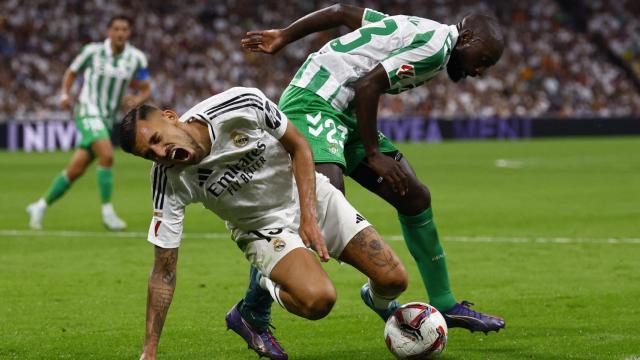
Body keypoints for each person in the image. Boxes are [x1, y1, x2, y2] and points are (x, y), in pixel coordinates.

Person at [239, 3, 506, 339]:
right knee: (323, 198)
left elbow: (342, 12)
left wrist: (285, 36)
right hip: (314, 101)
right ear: (466, 37)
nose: (480, 70)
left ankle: (440, 303)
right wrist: (374, 154)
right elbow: (369, 85)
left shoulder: (419, 28)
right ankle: (253, 309)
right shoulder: (436, 49)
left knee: (414, 196)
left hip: (345, 111)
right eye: (483, 59)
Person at [118, 87, 408, 360]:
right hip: (262, 229)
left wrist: (308, 216)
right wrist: (150, 351)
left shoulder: (239, 104)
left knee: (395, 280)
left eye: (156, 140)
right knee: (319, 301)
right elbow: (163, 271)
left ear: (171, 117)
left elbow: (299, 146)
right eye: (149, 155)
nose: (160, 154)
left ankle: (380, 303)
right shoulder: (167, 179)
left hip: (309, 193)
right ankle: (264, 283)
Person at [27, 15, 151, 231]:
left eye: (124, 29)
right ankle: (107, 211)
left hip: (107, 117)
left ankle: (40, 205)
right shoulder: (92, 52)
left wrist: (137, 100)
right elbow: (71, 72)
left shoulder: (136, 58)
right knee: (107, 155)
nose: (120, 33)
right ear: (108, 31)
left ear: (129, 33)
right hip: (87, 108)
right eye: (116, 29)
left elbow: (146, 86)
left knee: (75, 170)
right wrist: (65, 94)